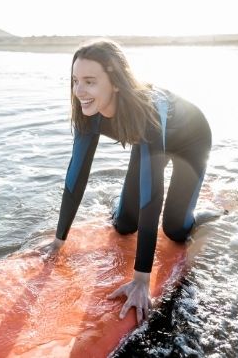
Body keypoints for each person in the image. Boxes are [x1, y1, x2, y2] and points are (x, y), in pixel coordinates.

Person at [41, 38, 212, 325]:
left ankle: (206, 213)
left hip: (190, 142)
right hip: (150, 145)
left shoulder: (145, 109)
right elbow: (76, 176)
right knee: (123, 225)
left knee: (176, 230)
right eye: (75, 80)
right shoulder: (87, 112)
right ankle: (119, 206)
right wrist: (58, 242)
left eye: (90, 82)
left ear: (116, 82)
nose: (79, 91)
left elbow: (151, 194)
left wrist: (141, 280)